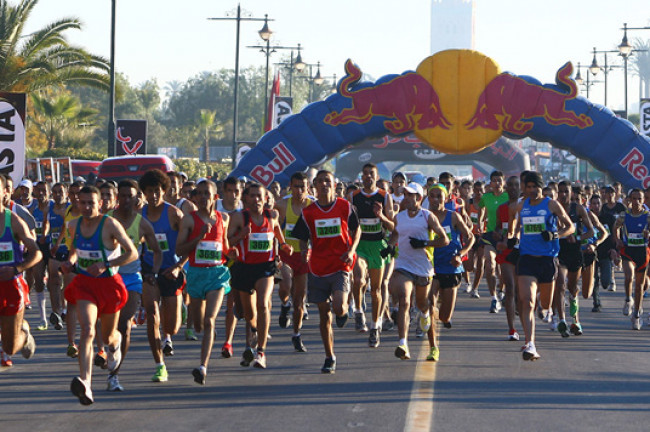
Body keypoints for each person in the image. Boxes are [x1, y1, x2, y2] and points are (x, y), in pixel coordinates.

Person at [61, 186, 138, 405]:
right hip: (86, 284)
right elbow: (75, 250)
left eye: (91, 203)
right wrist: (70, 262)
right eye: (82, 202)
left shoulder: (110, 225)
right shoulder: (74, 225)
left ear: (100, 204)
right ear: (77, 202)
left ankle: (116, 344)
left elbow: (131, 253)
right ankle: (86, 383)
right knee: (87, 330)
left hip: (109, 284)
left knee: (107, 336)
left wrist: (106, 264)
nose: (86, 207)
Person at [291, 170, 360, 373]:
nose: (324, 184)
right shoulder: (308, 213)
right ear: (314, 186)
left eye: (327, 181)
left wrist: (352, 250)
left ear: (334, 184)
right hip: (318, 268)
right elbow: (302, 237)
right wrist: (305, 252)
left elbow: (357, 231)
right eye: (320, 181)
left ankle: (344, 307)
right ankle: (329, 356)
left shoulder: (345, 207)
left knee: (338, 308)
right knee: (324, 315)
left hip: (341, 264)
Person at [176, 180, 236, 384]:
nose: (202, 197)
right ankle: (206, 332)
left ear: (215, 197)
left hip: (217, 274)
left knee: (210, 320)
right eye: (199, 194)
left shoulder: (223, 218)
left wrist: (231, 252)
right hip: (195, 274)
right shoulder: (188, 220)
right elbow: (179, 250)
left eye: (206, 194)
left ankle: (203, 366)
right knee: (200, 325)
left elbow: (224, 245)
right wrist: (198, 238)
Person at [105, 180, 162, 391]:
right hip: (108, 279)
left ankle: (114, 375)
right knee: (107, 330)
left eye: (131, 196)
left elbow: (157, 250)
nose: (127, 200)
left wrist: (153, 272)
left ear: (138, 197)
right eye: (123, 196)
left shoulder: (143, 223)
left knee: (125, 325)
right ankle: (109, 351)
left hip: (132, 279)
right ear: (117, 197)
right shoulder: (107, 220)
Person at [510, 172, 573, 360]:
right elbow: (514, 221)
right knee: (526, 301)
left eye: (534, 187)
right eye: (528, 187)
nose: (531, 190)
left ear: (541, 187)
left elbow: (570, 227)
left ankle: (545, 308)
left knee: (545, 304)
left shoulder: (551, 204)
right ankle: (530, 344)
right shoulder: (523, 205)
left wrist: (554, 235)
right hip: (527, 258)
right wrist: (513, 238)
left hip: (547, 259)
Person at [228, 183, 291, 369]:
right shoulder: (239, 218)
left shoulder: (271, 216)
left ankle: (261, 352)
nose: (256, 199)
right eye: (252, 196)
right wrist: (240, 237)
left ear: (265, 199)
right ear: (246, 199)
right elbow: (226, 242)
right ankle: (255, 329)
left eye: (259, 196)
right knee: (246, 313)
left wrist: (283, 244)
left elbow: (277, 230)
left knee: (263, 304)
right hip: (244, 268)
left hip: (266, 267)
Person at [388, 182, 448, 361]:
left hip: (423, 267)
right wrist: (389, 247)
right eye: (405, 194)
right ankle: (403, 343)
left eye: (410, 195)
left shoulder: (427, 216)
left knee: (424, 304)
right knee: (404, 300)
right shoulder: (399, 217)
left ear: (419, 198)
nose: (406, 198)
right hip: (403, 265)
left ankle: (432, 343)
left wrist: (425, 244)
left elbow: (444, 240)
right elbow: (395, 235)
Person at [139, 169, 186, 382]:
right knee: (152, 314)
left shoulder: (174, 214)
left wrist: (178, 266)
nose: (154, 196)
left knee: (171, 327)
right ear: (144, 193)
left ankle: (178, 312)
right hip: (149, 271)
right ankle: (159, 364)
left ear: (164, 191)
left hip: (171, 271)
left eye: (157, 191)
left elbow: (189, 245)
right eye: (149, 192)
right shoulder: (139, 215)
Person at [350, 163, 394, 348]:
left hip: (378, 245)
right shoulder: (353, 196)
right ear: (361, 176)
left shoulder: (384, 196)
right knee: (359, 280)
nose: (368, 176)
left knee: (376, 289)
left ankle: (375, 327)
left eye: (372, 174)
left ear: (377, 177)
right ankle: (359, 311)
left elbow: (393, 226)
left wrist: (381, 216)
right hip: (359, 244)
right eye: (365, 173)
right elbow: (347, 221)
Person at [0, 174, 41, 367]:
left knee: (9, 347)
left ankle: (24, 334)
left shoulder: (14, 221)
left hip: (10, 288)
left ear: (5, 192)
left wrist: (17, 268)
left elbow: (37, 254)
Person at [427, 183, 474, 349]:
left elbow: (470, 238)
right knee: (428, 305)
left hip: (451, 267)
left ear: (445, 198)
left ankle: (440, 310)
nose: (435, 199)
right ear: (427, 198)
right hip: (431, 267)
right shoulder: (424, 217)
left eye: (439, 196)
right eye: (432, 196)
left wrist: (460, 255)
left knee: (445, 317)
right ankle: (432, 344)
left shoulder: (453, 216)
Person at [275, 172, 312, 352]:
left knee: (299, 300)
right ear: (291, 186)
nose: (299, 191)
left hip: (304, 256)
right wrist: (278, 249)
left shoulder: (313, 206)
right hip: (286, 254)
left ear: (308, 188)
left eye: (303, 187)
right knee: (285, 286)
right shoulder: (282, 205)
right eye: (296, 186)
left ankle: (296, 334)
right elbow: (274, 229)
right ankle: (284, 305)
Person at [553, 181, 594, 337]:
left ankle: (576, 320)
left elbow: (591, 232)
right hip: (559, 252)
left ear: (571, 193)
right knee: (560, 283)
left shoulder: (578, 209)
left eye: (566, 191)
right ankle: (562, 320)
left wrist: (577, 238)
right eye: (561, 191)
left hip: (575, 253)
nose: (563, 194)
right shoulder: (554, 209)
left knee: (572, 287)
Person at [612, 189, 650, 329]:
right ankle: (628, 299)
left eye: (639, 199)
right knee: (629, 275)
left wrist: (648, 234)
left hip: (642, 251)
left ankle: (636, 315)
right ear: (629, 200)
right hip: (628, 250)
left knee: (640, 285)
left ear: (643, 200)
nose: (637, 202)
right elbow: (615, 227)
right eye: (634, 199)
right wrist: (617, 240)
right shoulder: (624, 215)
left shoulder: (647, 216)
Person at [217, 176, 243, 359]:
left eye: (237, 191)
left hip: (237, 261)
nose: (233, 195)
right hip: (213, 262)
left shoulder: (245, 210)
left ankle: (228, 342)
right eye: (230, 191)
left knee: (231, 304)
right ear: (223, 191)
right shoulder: (214, 206)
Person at [479, 171, 509, 313]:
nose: (497, 183)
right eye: (494, 181)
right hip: (490, 235)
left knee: (503, 269)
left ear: (503, 182)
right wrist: (480, 223)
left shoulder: (508, 196)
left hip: (504, 235)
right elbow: (481, 209)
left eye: (499, 180)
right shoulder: (486, 197)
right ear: (490, 183)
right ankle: (494, 298)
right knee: (490, 265)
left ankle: (502, 290)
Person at [46, 182, 70, 331]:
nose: (58, 194)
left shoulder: (71, 208)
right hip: (54, 250)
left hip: (68, 250)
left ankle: (64, 309)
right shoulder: (49, 209)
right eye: (55, 192)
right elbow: (45, 224)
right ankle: (56, 312)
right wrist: (44, 234)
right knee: (53, 281)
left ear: (66, 193)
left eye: (60, 191)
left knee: (67, 284)